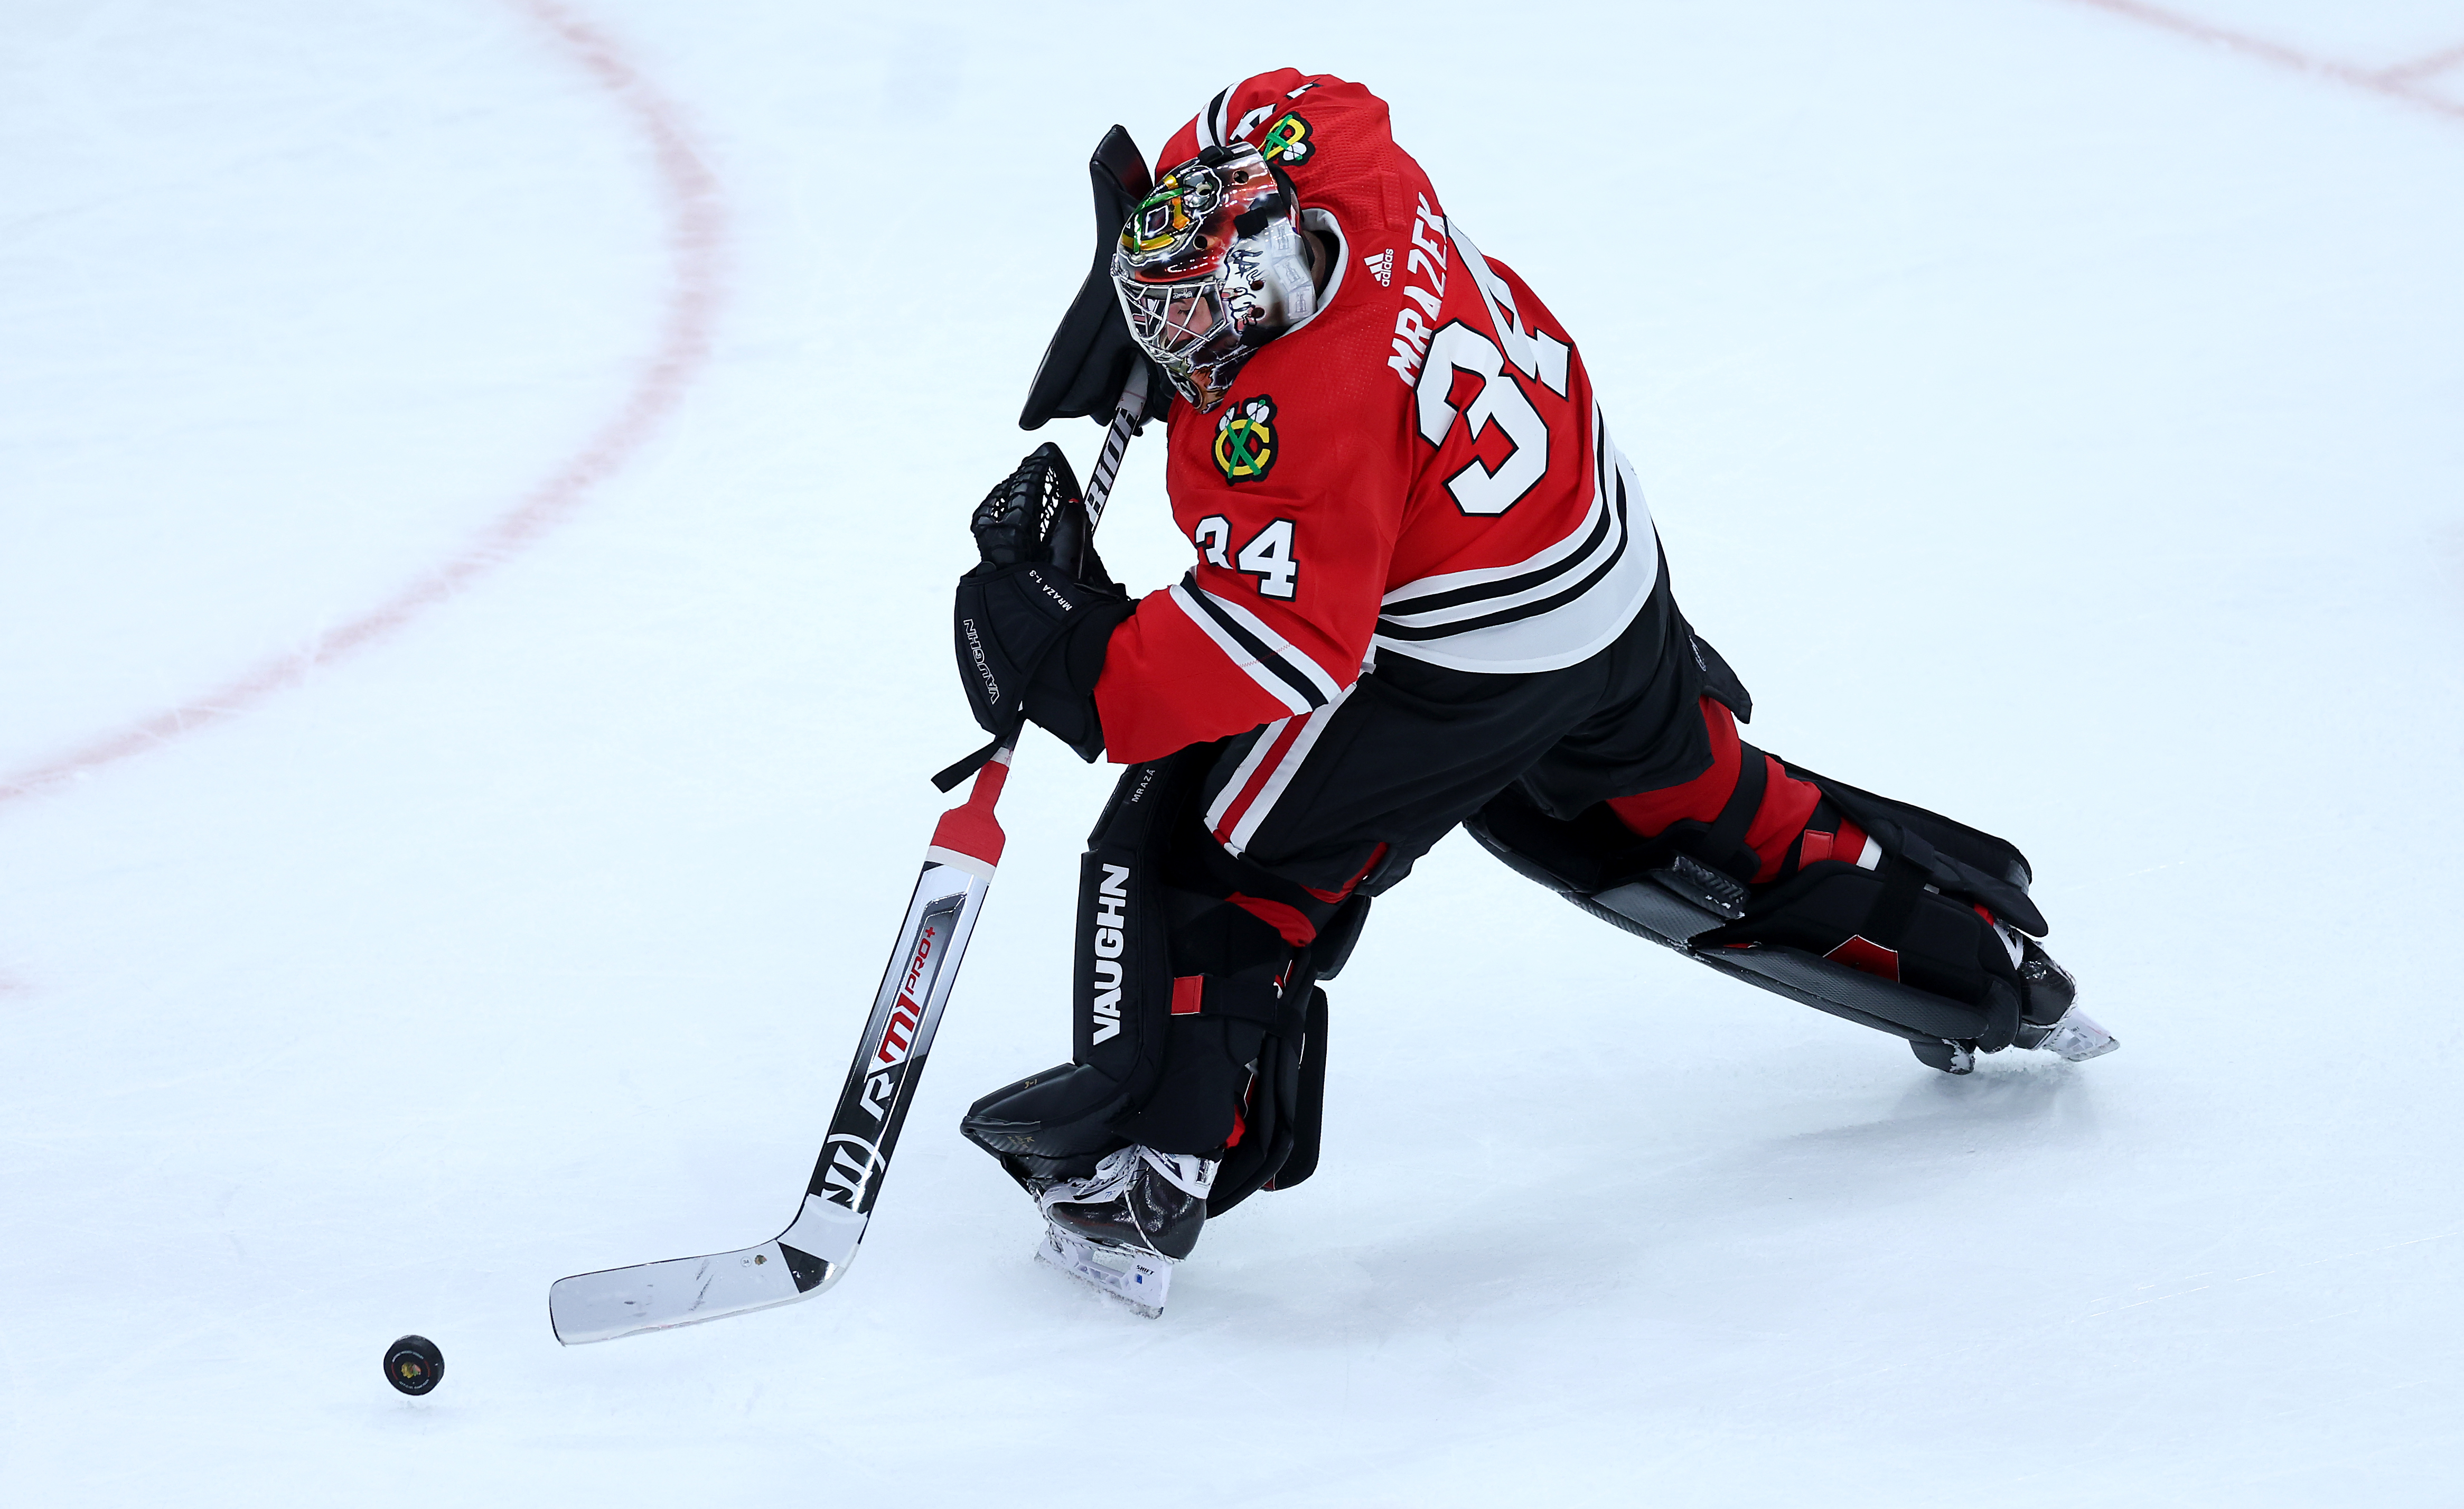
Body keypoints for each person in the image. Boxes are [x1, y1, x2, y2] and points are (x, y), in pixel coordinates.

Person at [947, 71, 2114, 1309]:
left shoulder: (1308, 426)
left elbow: (1267, 655)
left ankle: (1149, 1179)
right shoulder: (1340, 160)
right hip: (1602, 567)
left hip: (1471, 661)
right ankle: (1986, 968)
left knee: (1214, 851)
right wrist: (1154, 274)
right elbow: (1262, 100)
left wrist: (1056, 648)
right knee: (1705, 803)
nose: (1178, 355)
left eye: (1191, 329)